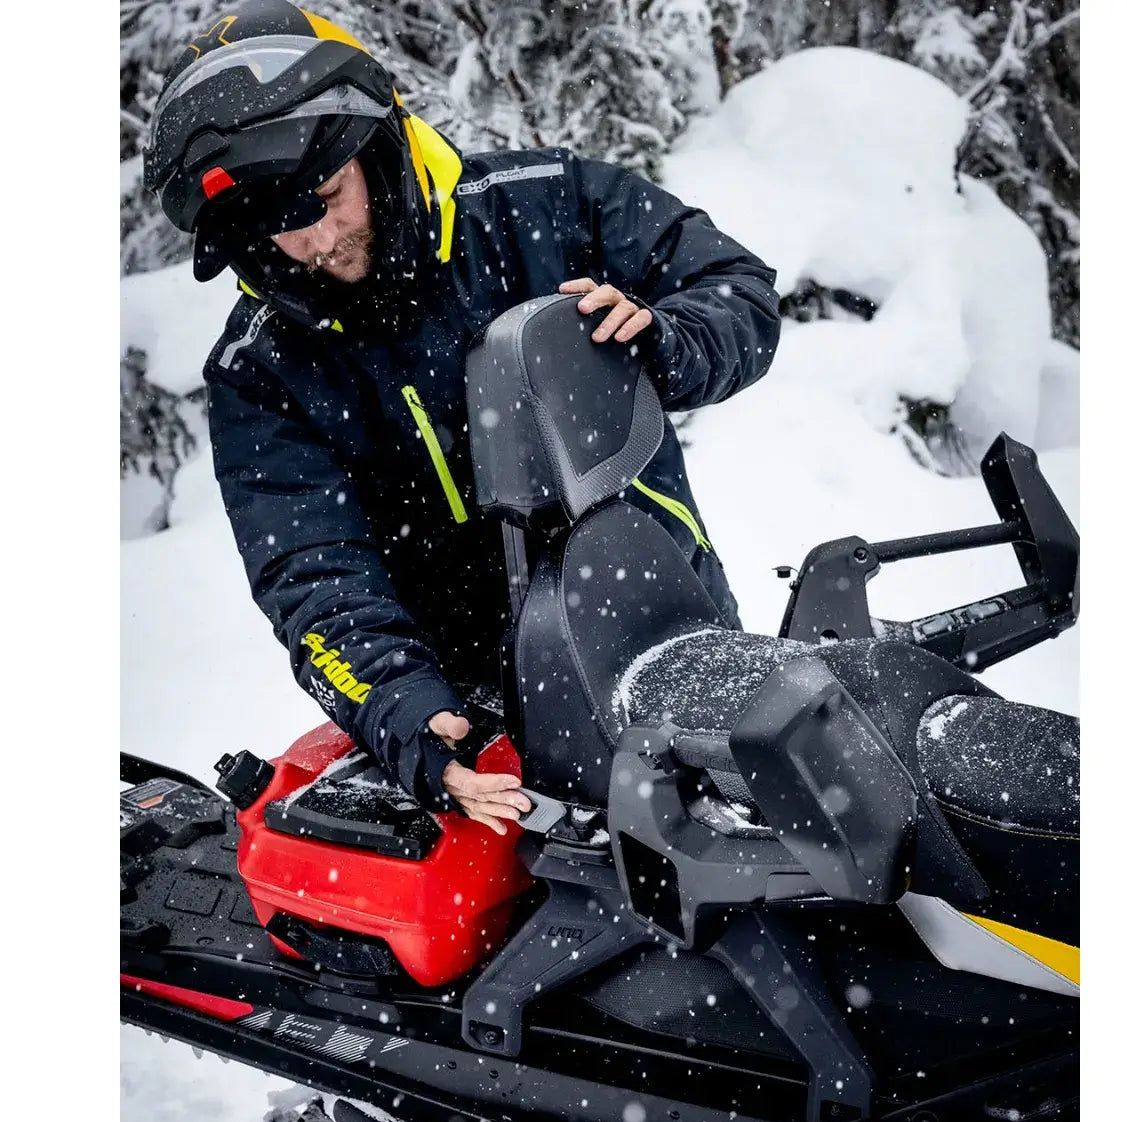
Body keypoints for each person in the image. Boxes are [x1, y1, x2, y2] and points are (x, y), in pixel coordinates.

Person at [143, 0, 782, 834]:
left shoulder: (545, 206)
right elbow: (311, 571)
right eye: (271, 231)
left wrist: (667, 341)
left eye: (324, 199)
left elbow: (736, 287)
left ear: (374, 145)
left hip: (663, 634)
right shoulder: (260, 369)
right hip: (473, 722)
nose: (311, 244)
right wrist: (402, 707)